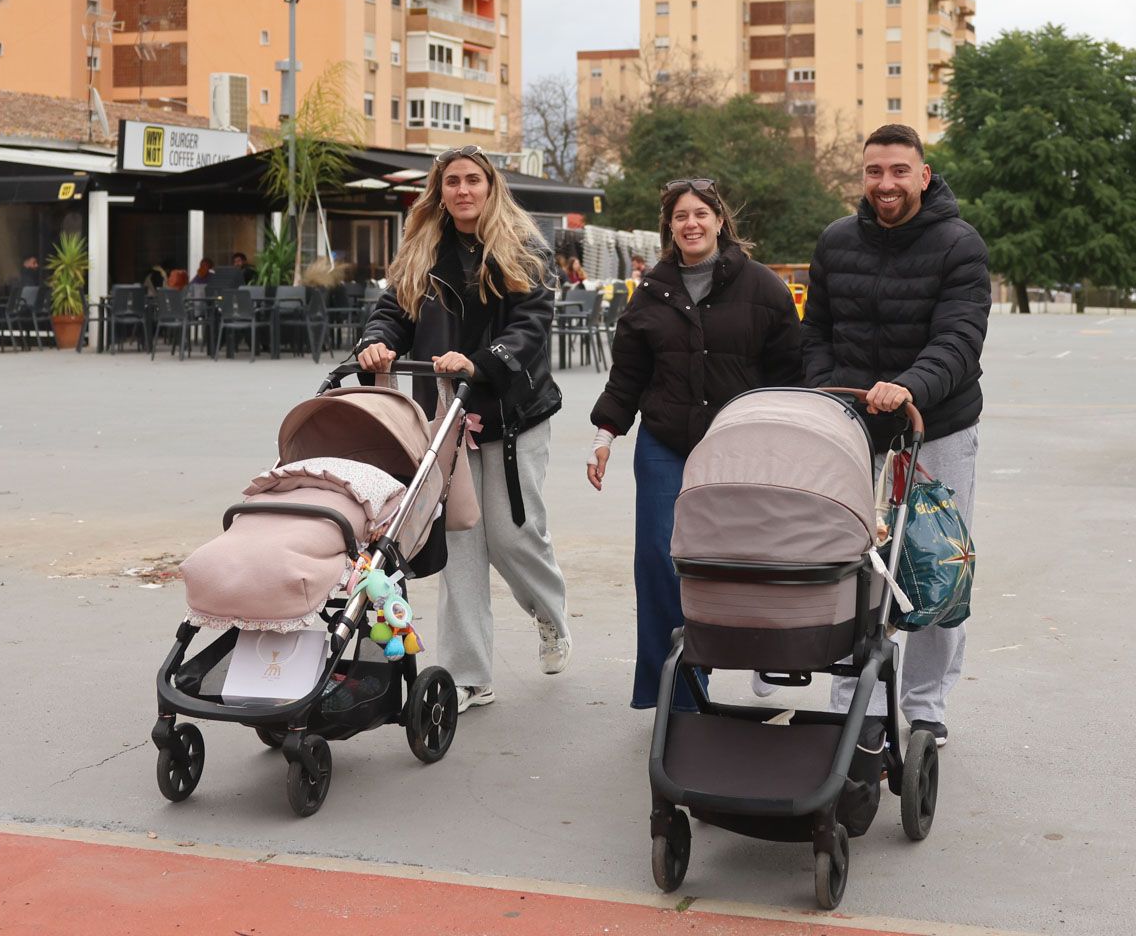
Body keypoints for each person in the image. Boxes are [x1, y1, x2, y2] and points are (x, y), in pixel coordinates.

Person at [356, 146, 570, 712]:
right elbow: (392, 313)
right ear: (440, 190)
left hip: (512, 411)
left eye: (473, 180)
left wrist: (485, 361)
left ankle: (549, 616)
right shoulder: (421, 250)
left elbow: (531, 323)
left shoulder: (523, 247)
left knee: (511, 535)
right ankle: (469, 673)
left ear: (490, 186)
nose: (463, 190)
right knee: (460, 542)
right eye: (452, 181)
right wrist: (375, 344)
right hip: (446, 413)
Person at [802, 123, 988, 748]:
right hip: (854, 428)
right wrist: (830, 390)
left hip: (935, 428)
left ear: (923, 176)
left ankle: (927, 705)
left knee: (934, 567)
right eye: (874, 172)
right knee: (856, 566)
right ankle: (856, 707)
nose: (886, 183)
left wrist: (909, 385)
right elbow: (816, 334)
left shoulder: (960, 245)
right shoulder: (835, 243)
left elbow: (959, 339)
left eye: (899, 171)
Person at [587, 179, 803, 711]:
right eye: (680, 216)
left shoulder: (764, 288)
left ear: (719, 221)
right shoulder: (651, 290)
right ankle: (679, 693)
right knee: (661, 559)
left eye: (701, 214)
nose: (691, 224)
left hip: (742, 446)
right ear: (669, 227)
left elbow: (790, 373)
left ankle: (767, 653)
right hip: (666, 442)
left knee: (750, 554)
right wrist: (605, 436)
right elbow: (628, 375)